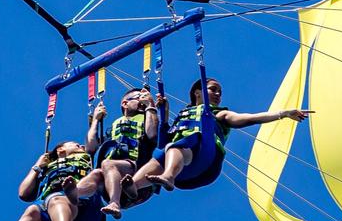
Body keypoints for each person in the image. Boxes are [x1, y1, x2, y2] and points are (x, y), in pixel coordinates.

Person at [133, 77, 310, 194]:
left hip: (206, 159)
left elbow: (249, 118)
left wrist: (283, 113)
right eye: (213, 89)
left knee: (176, 147)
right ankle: (133, 186)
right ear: (198, 92)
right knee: (160, 155)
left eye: (219, 92)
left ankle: (168, 176)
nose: (218, 94)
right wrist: (157, 108)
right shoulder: (181, 119)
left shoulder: (219, 114)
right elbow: (159, 136)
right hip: (184, 167)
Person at [87, 88, 158, 217]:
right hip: (114, 184)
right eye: (138, 98)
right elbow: (91, 148)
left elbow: (152, 135)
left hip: (141, 173)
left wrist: (150, 106)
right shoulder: (114, 130)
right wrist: (96, 120)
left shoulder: (148, 118)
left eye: (144, 97)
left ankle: (115, 203)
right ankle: (75, 195)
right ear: (125, 103)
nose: (142, 100)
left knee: (108, 164)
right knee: (96, 173)